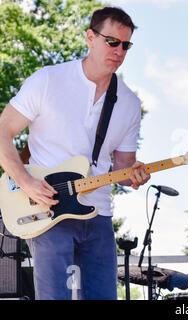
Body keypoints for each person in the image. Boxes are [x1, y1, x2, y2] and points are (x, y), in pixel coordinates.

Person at [0, 7, 150, 299]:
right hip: (47, 208)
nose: (119, 51)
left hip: (99, 215)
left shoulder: (129, 103)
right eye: (112, 42)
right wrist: (26, 181)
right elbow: (2, 131)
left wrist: (134, 174)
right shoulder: (48, 80)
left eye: (126, 45)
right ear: (90, 37)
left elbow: (122, 168)